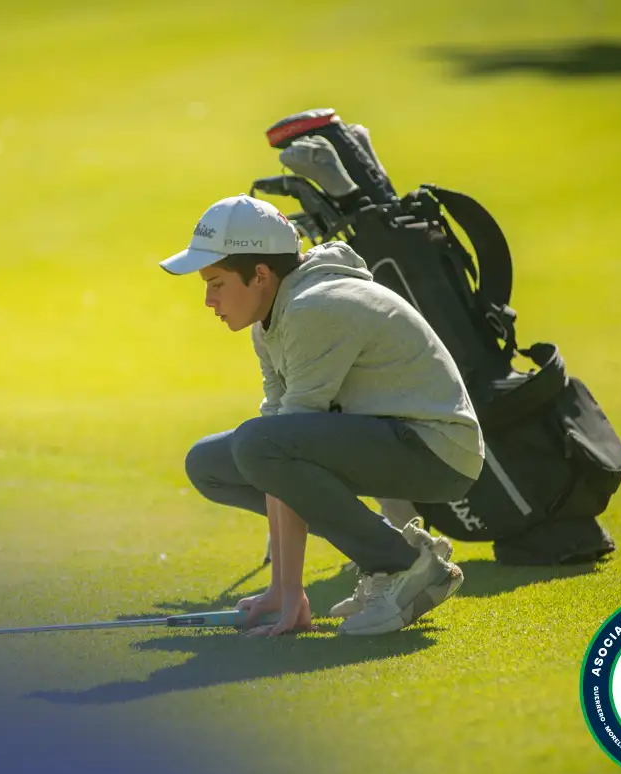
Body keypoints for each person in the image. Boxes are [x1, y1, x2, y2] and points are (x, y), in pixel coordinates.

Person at [159, 192, 485, 636]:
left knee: (257, 445)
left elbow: (275, 447)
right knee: (209, 463)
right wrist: (280, 590)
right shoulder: (269, 321)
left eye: (216, 283)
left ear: (260, 275)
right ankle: (395, 555)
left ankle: (402, 565)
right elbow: (276, 442)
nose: (208, 300)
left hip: (437, 452)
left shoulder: (313, 308)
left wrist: (291, 593)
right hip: (387, 440)